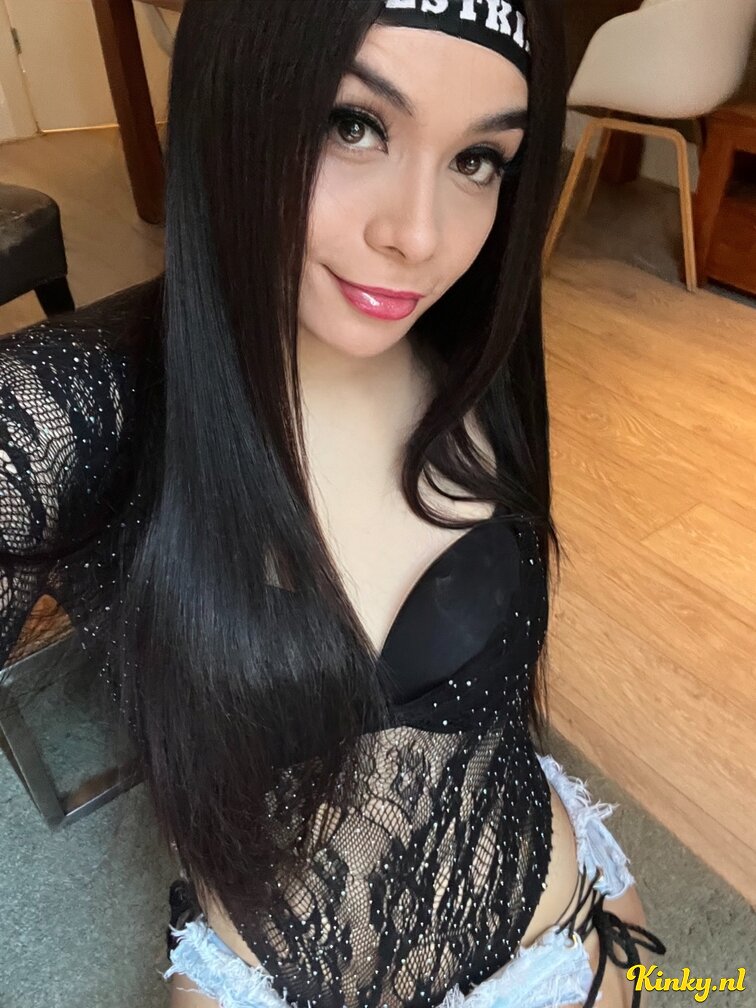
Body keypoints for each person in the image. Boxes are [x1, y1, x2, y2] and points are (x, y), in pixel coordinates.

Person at [0, 1, 667, 1006]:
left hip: (564, 938)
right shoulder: (65, 411)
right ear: (236, 96)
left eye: (477, 160)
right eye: (353, 124)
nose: (419, 237)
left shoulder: (471, 347)